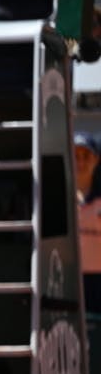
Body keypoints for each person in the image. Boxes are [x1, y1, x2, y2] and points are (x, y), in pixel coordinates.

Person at [74, 131, 101, 313]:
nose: (81, 162)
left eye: (86, 156)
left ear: (96, 160)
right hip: (69, 281)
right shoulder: (58, 198)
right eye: (76, 156)